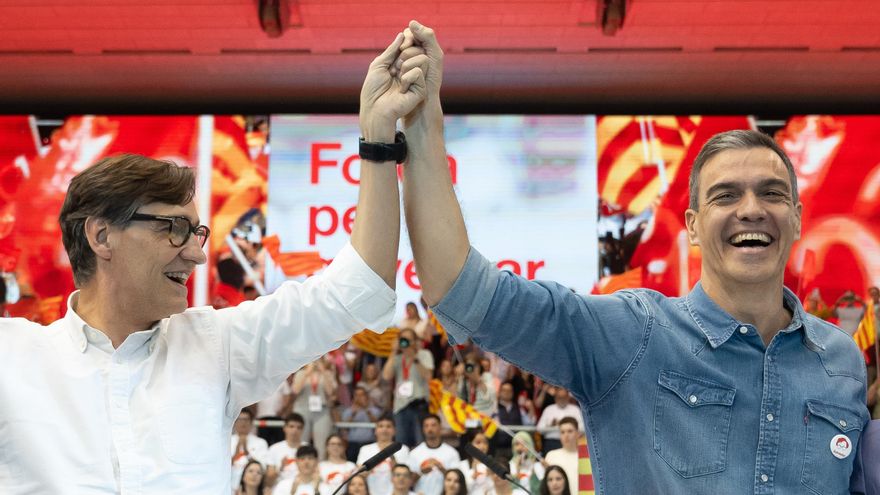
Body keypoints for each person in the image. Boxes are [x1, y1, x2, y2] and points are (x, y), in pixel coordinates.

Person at [396, 20, 869, 493]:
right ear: (692, 225)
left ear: (797, 218)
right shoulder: (630, 335)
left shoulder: (840, 361)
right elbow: (458, 286)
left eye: (771, 193)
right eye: (725, 196)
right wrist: (422, 128)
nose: (751, 210)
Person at [0, 27, 426, 493]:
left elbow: (358, 290)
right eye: (175, 229)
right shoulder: (15, 359)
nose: (199, 254)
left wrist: (379, 138)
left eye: (197, 231)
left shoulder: (216, 347)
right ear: (102, 235)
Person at [383, 327, 434, 447]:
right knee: (401, 445)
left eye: (408, 339)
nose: (404, 342)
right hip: (400, 406)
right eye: (402, 339)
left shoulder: (424, 354)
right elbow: (386, 376)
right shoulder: (397, 358)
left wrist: (414, 358)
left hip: (418, 405)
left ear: (415, 341)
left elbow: (428, 377)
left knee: (420, 443)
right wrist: (393, 351)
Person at [293, 359, 338, 459]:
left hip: (322, 410)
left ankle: (320, 467)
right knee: (302, 441)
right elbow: (296, 390)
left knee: (322, 443)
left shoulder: (327, 374)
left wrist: (323, 372)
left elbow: (330, 392)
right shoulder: (301, 373)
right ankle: (300, 464)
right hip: (302, 409)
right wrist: (307, 373)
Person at [356, 413, 411, 495]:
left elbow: (406, 476)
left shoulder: (403, 449)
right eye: (381, 426)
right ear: (375, 430)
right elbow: (361, 474)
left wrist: (391, 457)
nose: (384, 430)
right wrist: (378, 458)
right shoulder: (365, 449)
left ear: (394, 431)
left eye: (388, 426)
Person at [408, 414, 461, 495]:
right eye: (426, 426)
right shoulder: (414, 453)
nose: (430, 429)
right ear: (422, 429)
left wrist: (442, 469)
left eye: (433, 425)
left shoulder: (452, 453)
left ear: (440, 427)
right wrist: (421, 472)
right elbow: (408, 483)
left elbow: (458, 481)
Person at [266, 412, 310, 486]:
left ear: (302, 430)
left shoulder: (308, 448)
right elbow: (268, 481)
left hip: (303, 488)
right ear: (284, 428)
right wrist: (280, 468)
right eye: (291, 426)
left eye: (299, 427)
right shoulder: (274, 449)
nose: (295, 430)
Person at [534, 388, 582, 453]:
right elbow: (539, 429)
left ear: (568, 397)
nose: (562, 400)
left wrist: (570, 426)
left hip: (572, 443)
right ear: (555, 398)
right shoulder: (548, 409)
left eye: (563, 397)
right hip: (552, 443)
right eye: (559, 397)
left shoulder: (575, 409)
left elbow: (582, 428)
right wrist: (550, 425)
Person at [342, 385, 382, 461]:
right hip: (352, 444)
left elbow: (378, 424)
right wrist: (353, 414)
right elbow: (344, 428)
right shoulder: (348, 411)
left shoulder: (375, 410)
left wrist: (366, 409)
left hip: (370, 443)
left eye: (361, 395)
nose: (359, 397)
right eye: (356, 395)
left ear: (366, 397)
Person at [233, 408, 271, 487]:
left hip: (251, 487)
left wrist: (247, 452)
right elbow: (219, 467)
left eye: (246, 419)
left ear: (251, 422)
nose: (243, 423)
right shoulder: (226, 441)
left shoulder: (261, 442)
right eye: (240, 419)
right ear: (234, 422)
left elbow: (262, 468)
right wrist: (236, 452)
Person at [543, 417, 580, 492]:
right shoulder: (551, 455)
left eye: (570, 431)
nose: (566, 435)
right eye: (562, 432)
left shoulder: (585, 457)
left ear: (577, 433)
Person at [457, 430, 493, 495]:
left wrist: (490, 477)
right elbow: (459, 490)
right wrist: (473, 477)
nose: (482, 446)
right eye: (478, 442)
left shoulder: (493, 465)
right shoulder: (462, 465)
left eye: (485, 442)